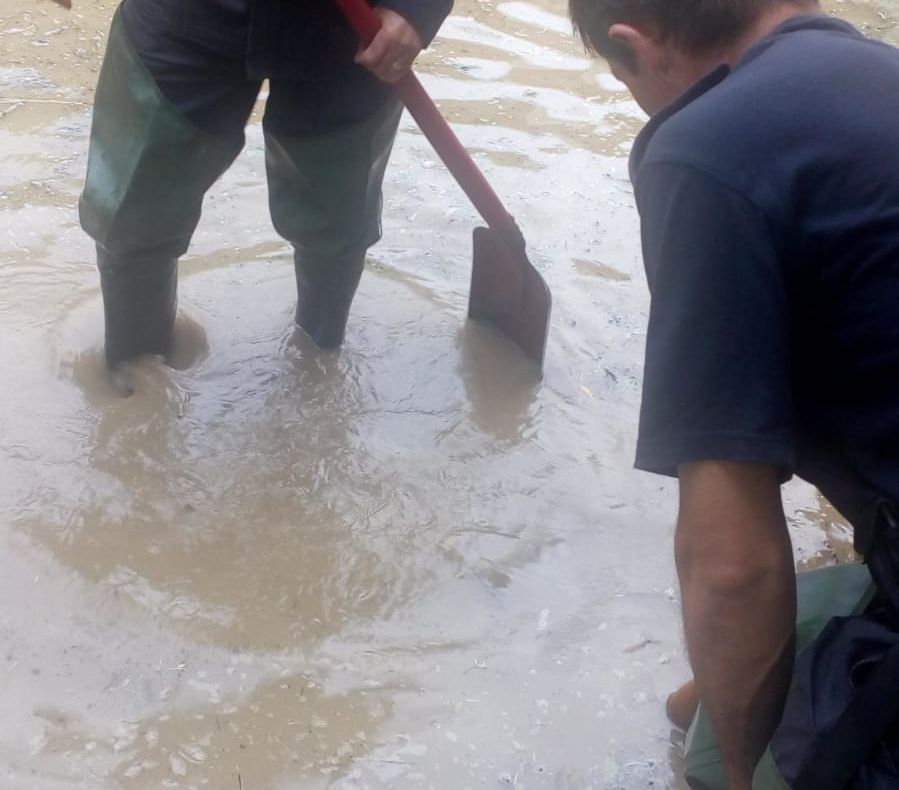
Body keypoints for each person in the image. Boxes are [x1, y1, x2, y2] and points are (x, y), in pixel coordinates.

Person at [567, 1, 899, 787]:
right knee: (697, 704)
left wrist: (738, 768)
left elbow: (731, 566)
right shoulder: (877, 76)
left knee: (715, 756)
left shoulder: (705, 148)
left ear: (632, 46)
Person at [77, 0, 453, 366]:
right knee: (134, 208)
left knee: (337, 218)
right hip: (186, 15)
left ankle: (318, 373)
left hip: (356, 26)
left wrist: (417, 7)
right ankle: (135, 379)